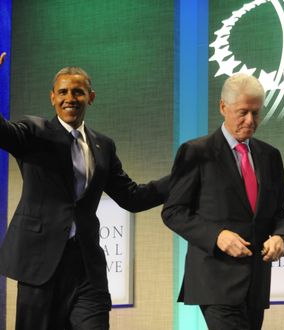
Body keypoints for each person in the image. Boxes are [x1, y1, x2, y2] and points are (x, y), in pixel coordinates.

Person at [0, 52, 168, 330]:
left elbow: (132, 197)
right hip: (40, 264)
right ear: (52, 97)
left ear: (90, 97)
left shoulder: (104, 145)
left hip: (87, 266)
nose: (70, 98)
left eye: (78, 92)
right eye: (63, 92)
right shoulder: (34, 131)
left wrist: (182, 177)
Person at [162, 73, 284, 330]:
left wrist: (281, 237)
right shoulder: (196, 152)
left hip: (256, 282)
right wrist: (217, 236)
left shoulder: (270, 156)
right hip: (215, 279)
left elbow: (281, 213)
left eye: (256, 113)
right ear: (223, 107)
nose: (250, 121)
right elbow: (174, 211)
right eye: (243, 112)